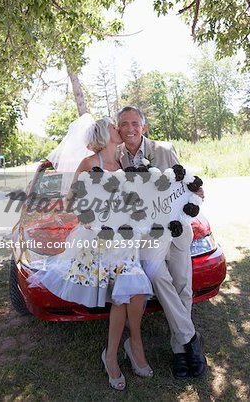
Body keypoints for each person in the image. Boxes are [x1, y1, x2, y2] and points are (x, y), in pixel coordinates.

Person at [28, 114, 154, 391]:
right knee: (124, 296)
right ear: (104, 133)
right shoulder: (89, 164)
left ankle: (126, 349)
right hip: (99, 242)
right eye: (114, 126)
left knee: (134, 292)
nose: (119, 129)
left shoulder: (122, 162)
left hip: (125, 239)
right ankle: (119, 353)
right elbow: (73, 201)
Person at [116, 106, 207, 378]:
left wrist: (197, 192)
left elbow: (183, 183)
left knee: (182, 286)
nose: (130, 129)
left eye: (135, 123)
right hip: (149, 235)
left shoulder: (164, 150)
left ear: (143, 127)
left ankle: (180, 349)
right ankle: (191, 340)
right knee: (159, 279)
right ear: (118, 128)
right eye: (124, 124)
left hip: (177, 230)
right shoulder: (117, 156)